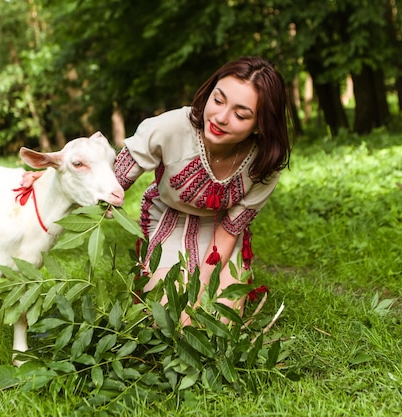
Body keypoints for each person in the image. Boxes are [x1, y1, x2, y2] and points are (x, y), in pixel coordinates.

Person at [113, 56, 292, 321]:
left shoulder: (265, 162)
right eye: (218, 100)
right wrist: (50, 177)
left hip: (221, 230)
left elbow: (231, 229)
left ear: (261, 125)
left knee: (221, 321)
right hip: (169, 220)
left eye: (240, 114)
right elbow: (111, 178)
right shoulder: (170, 127)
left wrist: (201, 291)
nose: (220, 118)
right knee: (171, 317)